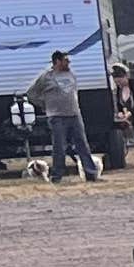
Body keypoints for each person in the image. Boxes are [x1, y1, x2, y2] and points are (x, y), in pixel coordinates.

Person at [30, 50, 99, 183]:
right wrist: (44, 105)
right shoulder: (46, 77)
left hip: (74, 114)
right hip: (57, 117)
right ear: (57, 62)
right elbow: (32, 93)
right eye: (65, 60)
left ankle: (90, 173)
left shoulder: (71, 74)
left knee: (82, 145)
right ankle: (57, 176)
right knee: (59, 147)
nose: (68, 63)